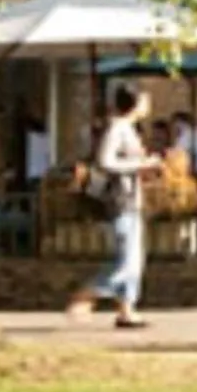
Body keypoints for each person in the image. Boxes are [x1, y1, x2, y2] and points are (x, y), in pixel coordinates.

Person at [69, 87, 160, 329]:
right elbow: (105, 160)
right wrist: (140, 163)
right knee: (127, 260)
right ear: (135, 103)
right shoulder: (118, 128)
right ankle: (88, 293)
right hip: (120, 200)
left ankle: (127, 309)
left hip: (132, 198)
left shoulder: (129, 130)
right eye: (144, 99)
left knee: (134, 258)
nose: (148, 104)